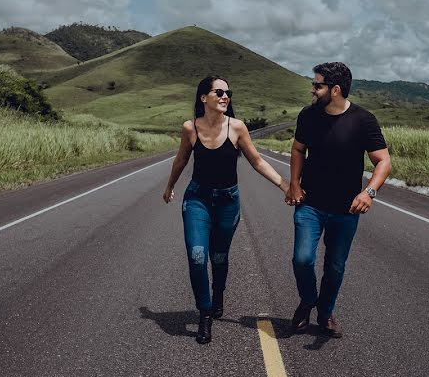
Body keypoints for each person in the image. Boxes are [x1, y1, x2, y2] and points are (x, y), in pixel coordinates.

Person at [164, 75, 289, 344]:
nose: (225, 96)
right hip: (197, 199)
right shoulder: (190, 128)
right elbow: (181, 160)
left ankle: (217, 291)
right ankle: (205, 313)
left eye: (227, 92)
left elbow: (257, 162)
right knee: (198, 256)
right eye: (218, 91)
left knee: (218, 257)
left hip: (227, 202)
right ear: (203, 98)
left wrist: (284, 184)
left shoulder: (237, 128)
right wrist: (169, 187)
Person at [284, 62, 392, 338]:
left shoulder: (363, 120)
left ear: (335, 90)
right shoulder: (308, 116)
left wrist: (368, 192)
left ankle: (325, 313)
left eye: (317, 85)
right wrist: (294, 184)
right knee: (302, 258)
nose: (313, 89)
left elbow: (383, 161)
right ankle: (308, 301)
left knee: (335, 266)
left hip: (346, 210)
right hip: (310, 204)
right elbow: (298, 150)